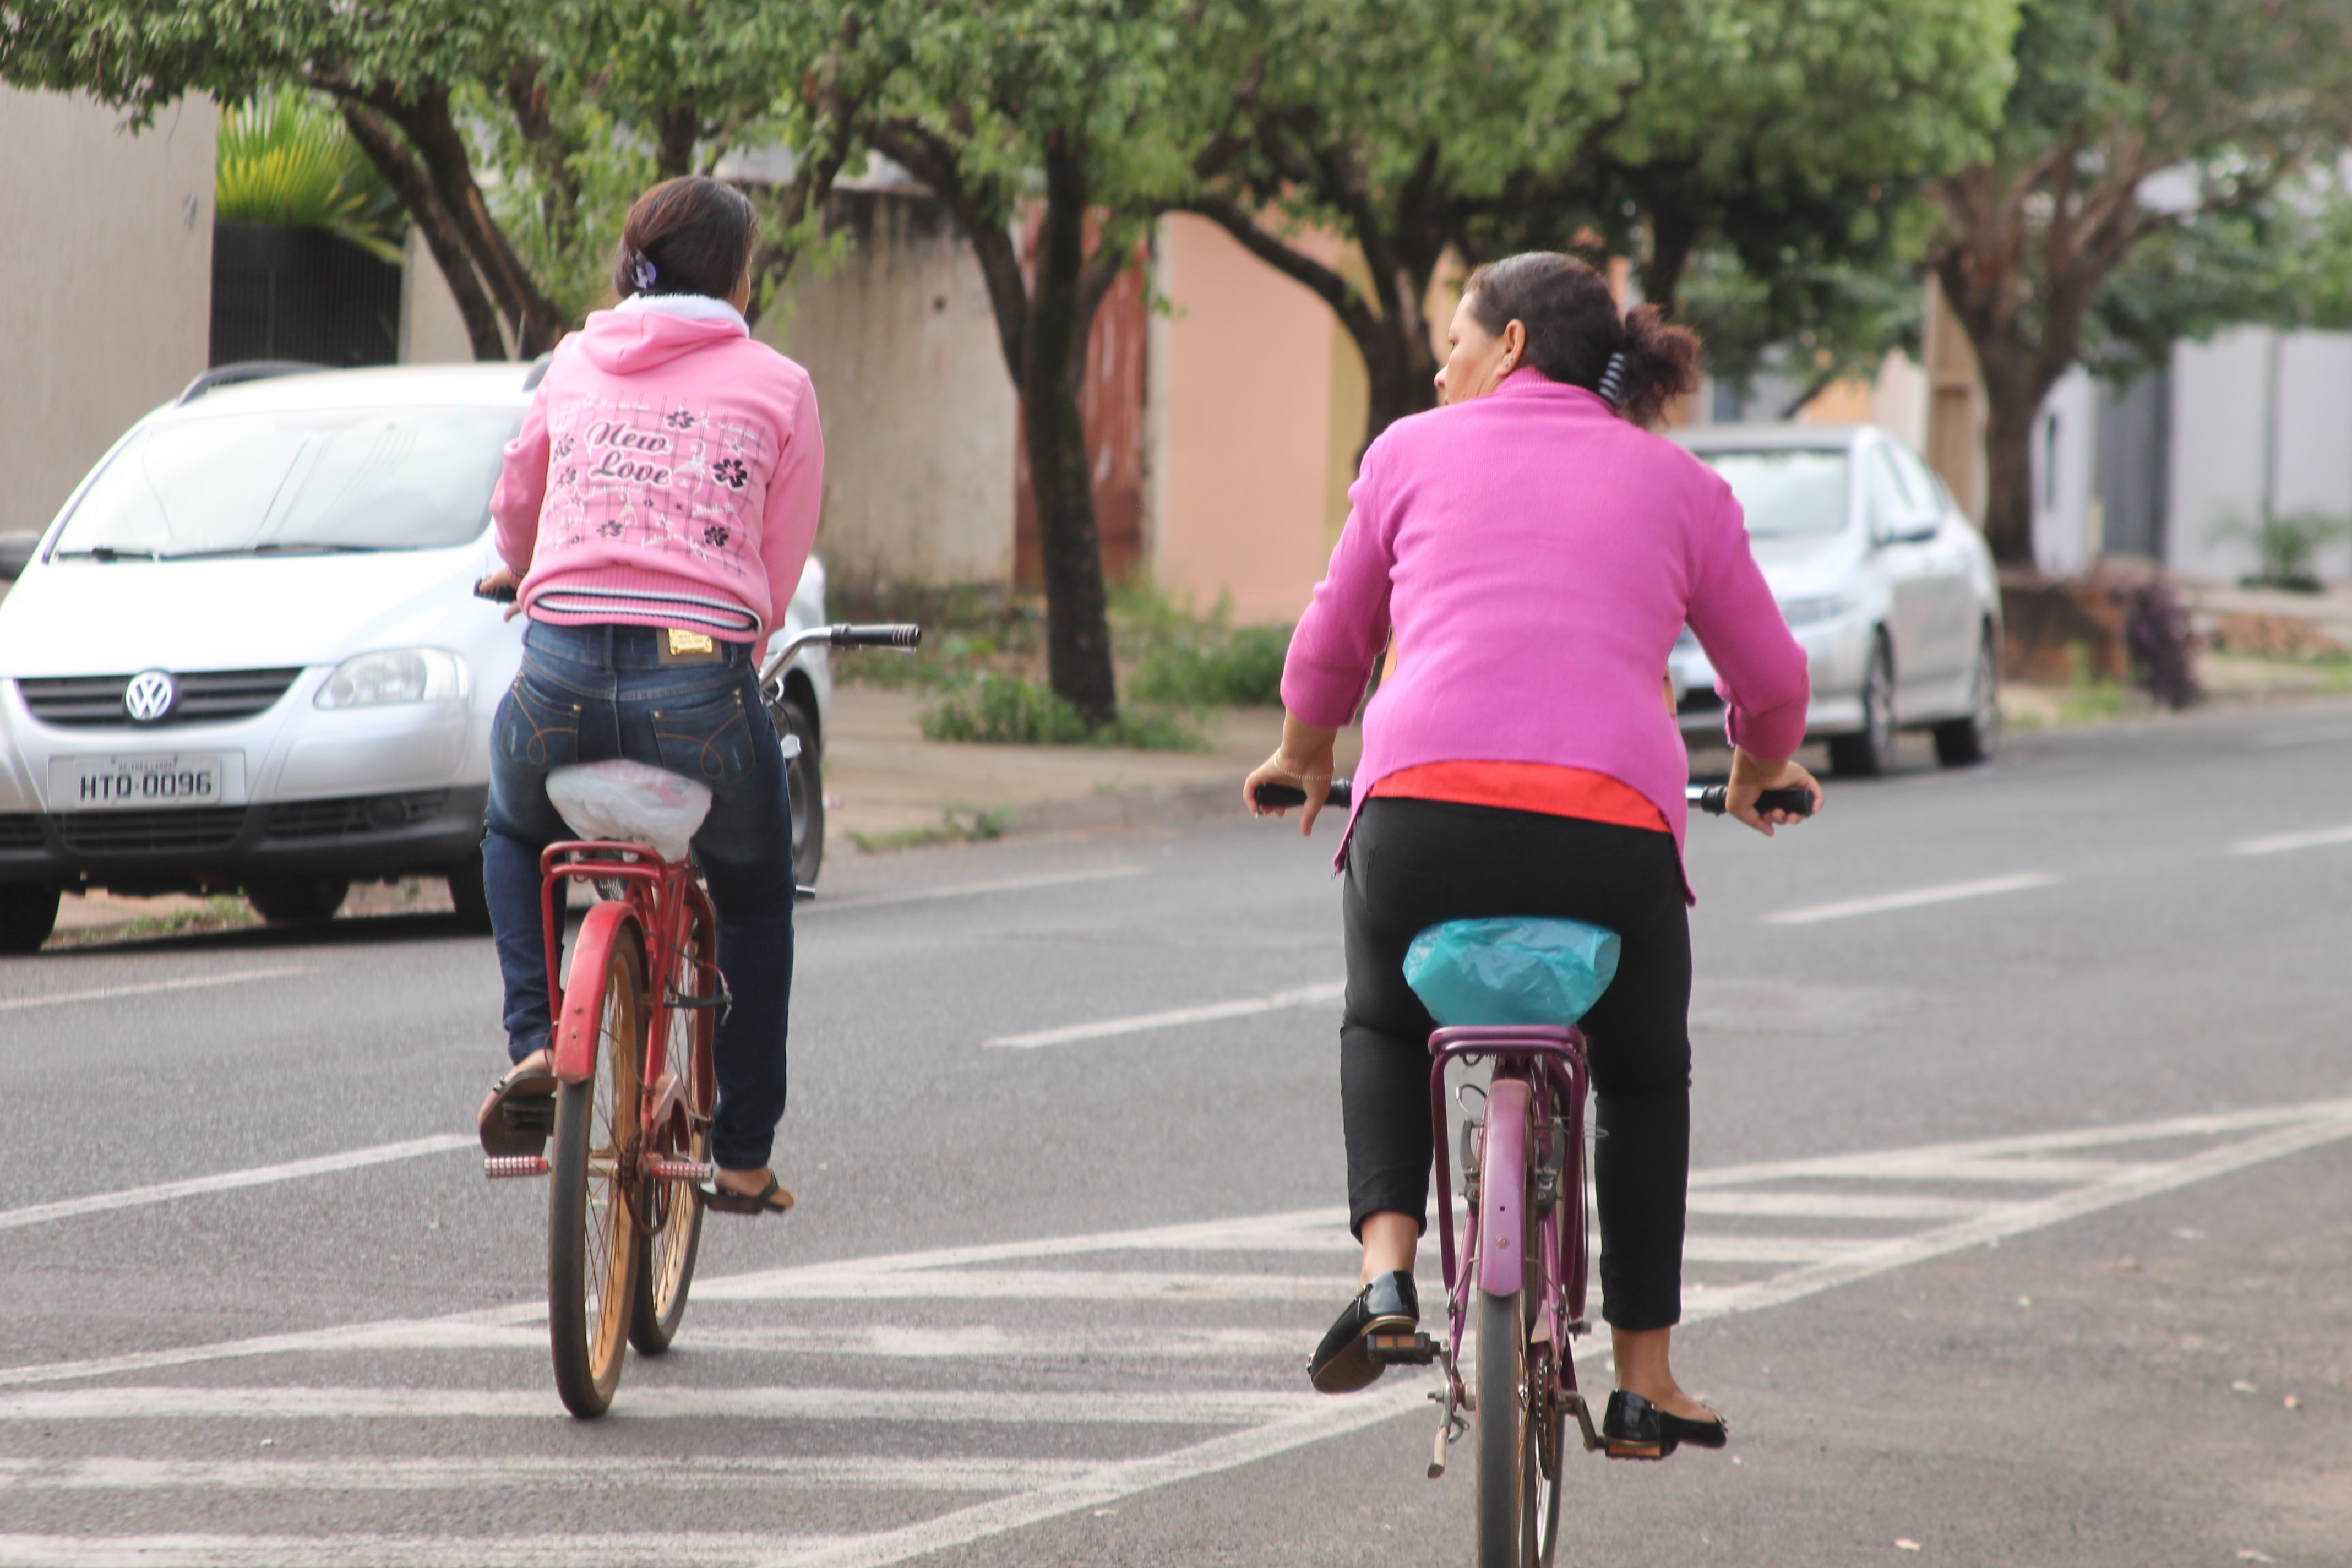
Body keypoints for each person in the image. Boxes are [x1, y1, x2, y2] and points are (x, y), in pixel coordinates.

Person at [1244, 252, 1820, 1457]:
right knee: (1646, 1070)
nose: (1437, 362)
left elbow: (1331, 645)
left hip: (1423, 823)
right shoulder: (1682, 486)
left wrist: (1305, 755)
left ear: (1509, 344)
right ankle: (1646, 1373)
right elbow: (1769, 680)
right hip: (1612, 836)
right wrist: (1761, 769)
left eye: (1454, 338)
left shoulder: (1406, 451)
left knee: (1384, 1014)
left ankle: (1389, 1278)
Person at [472, 176, 823, 1217]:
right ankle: (746, 1155)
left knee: (507, 830)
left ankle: (536, 1042)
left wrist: (516, 563)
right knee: (758, 895)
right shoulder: (781, 384)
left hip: (560, 668)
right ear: (742, 281)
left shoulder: (574, 360)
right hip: (700, 681)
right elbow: (781, 552)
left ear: (632, 266)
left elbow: (518, 497)